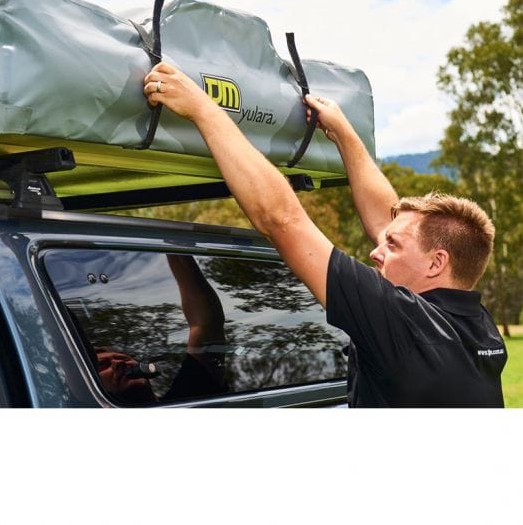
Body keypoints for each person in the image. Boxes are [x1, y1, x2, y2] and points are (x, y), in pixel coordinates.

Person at [143, 64, 507, 407]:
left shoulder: (404, 325)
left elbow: (283, 219)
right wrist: (344, 136)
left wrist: (204, 109)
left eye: (392, 246)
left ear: (436, 262)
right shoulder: (476, 326)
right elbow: (387, 220)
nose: (376, 252)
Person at [90, 254, 227, 405]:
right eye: (103, 366)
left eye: (124, 359)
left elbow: (206, 325)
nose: (118, 363)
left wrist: (174, 248)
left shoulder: (185, 400)